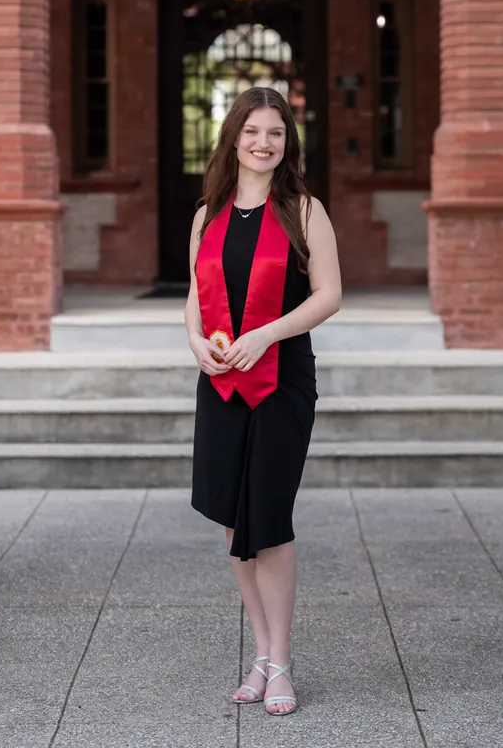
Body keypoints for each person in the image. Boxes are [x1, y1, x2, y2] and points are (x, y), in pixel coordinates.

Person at [185, 85, 342, 716]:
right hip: (222, 380)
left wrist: (266, 335)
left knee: (269, 521)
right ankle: (259, 652)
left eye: (275, 133)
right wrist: (196, 341)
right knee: (233, 522)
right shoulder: (207, 214)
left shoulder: (304, 210)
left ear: (288, 142)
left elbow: (328, 295)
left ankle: (281, 662)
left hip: (281, 380)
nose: (263, 143)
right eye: (253, 131)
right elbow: (196, 297)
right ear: (234, 137)